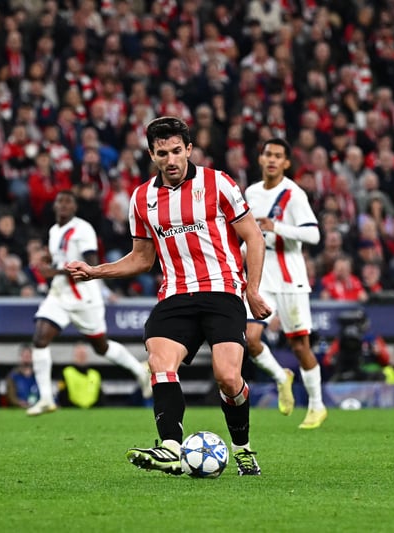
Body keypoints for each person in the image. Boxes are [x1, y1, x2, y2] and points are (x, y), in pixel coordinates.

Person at [67, 116, 272, 476]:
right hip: (175, 295)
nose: (171, 160)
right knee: (160, 363)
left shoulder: (218, 183)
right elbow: (142, 259)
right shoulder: (142, 198)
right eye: (162, 154)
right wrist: (96, 271)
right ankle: (171, 448)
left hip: (222, 290)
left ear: (189, 149)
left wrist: (252, 289)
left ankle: (242, 448)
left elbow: (253, 237)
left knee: (228, 377)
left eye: (177, 151)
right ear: (152, 155)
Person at [26, 189, 152, 416]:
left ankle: (140, 371)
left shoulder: (83, 229)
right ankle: (46, 398)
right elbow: (60, 259)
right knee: (40, 339)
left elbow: (91, 264)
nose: (64, 205)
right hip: (59, 294)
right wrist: (47, 260)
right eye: (60, 201)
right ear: (55, 206)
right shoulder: (54, 231)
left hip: (84, 297)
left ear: (75, 207)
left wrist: (54, 271)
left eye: (68, 202)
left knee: (101, 347)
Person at [243, 138, 327, 429]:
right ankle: (281, 378)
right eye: (268, 154)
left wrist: (276, 226)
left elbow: (314, 235)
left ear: (286, 163)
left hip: (291, 278)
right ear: (260, 158)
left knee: (300, 346)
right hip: (261, 276)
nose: (272, 160)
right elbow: (249, 235)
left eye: (278, 156)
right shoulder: (251, 193)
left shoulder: (294, 194)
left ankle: (317, 406)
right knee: (250, 338)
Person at [60, 342, 103, 408]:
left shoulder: (95, 374)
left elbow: (100, 395)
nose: (82, 356)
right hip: (72, 409)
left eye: (83, 354)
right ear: (75, 355)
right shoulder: (67, 372)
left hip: (92, 409)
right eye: (79, 354)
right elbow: (62, 393)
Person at [6, 344, 39, 408]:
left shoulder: (39, 375)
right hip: (19, 408)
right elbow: (10, 395)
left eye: (29, 356)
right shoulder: (13, 375)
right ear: (20, 357)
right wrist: (18, 402)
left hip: (37, 407)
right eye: (24, 356)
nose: (27, 358)